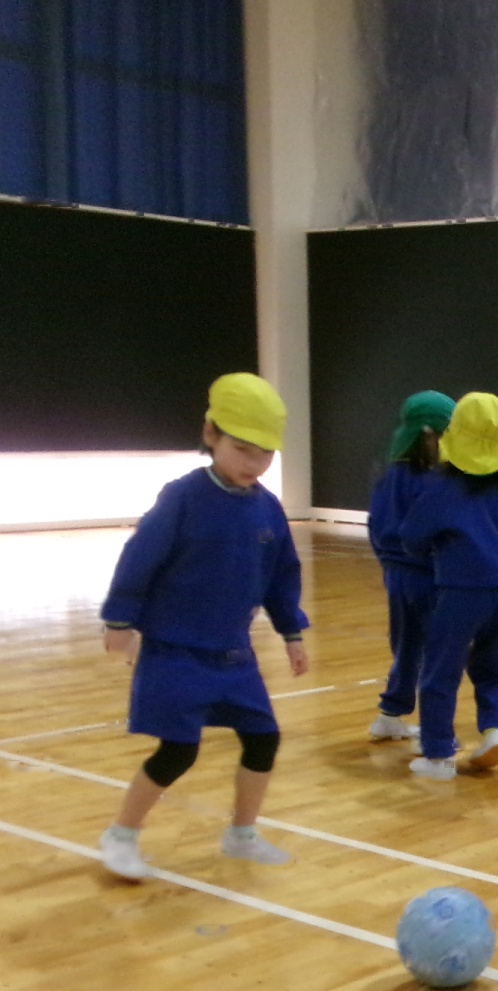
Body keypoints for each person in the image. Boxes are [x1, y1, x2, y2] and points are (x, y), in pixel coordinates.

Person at [97, 373, 306, 880]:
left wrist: (292, 632)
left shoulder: (268, 509)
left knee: (263, 739)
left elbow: (282, 575)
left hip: (234, 656)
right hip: (176, 652)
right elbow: (139, 557)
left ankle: (242, 834)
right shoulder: (183, 498)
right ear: (210, 434)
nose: (253, 463)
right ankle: (121, 834)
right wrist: (120, 619)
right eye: (242, 450)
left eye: (264, 454)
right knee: (179, 750)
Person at [398, 392, 498, 779]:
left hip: (461, 593)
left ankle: (438, 755)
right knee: (492, 668)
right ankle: (494, 729)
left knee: (440, 671)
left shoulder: (442, 488)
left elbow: (411, 538)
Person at [366, 390, 455, 743]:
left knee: (406, 647)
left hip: (396, 578)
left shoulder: (388, 476)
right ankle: (434, 732)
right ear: (429, 436)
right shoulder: (433, 482)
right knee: (438, 653)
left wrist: (390, 565)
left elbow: (375, 527)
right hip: (427, 578)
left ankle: (390, 714)